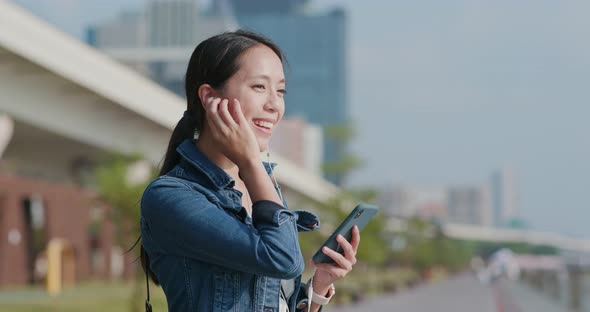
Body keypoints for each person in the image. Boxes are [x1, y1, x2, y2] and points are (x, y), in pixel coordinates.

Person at [140, 30, 360, 312]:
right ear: (209, 97)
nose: (274, 105)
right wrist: (252, 163)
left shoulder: (261, 188)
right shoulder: (170, 196)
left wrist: (318, 287)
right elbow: (281, 259)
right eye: (259, 87)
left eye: (280, 91)